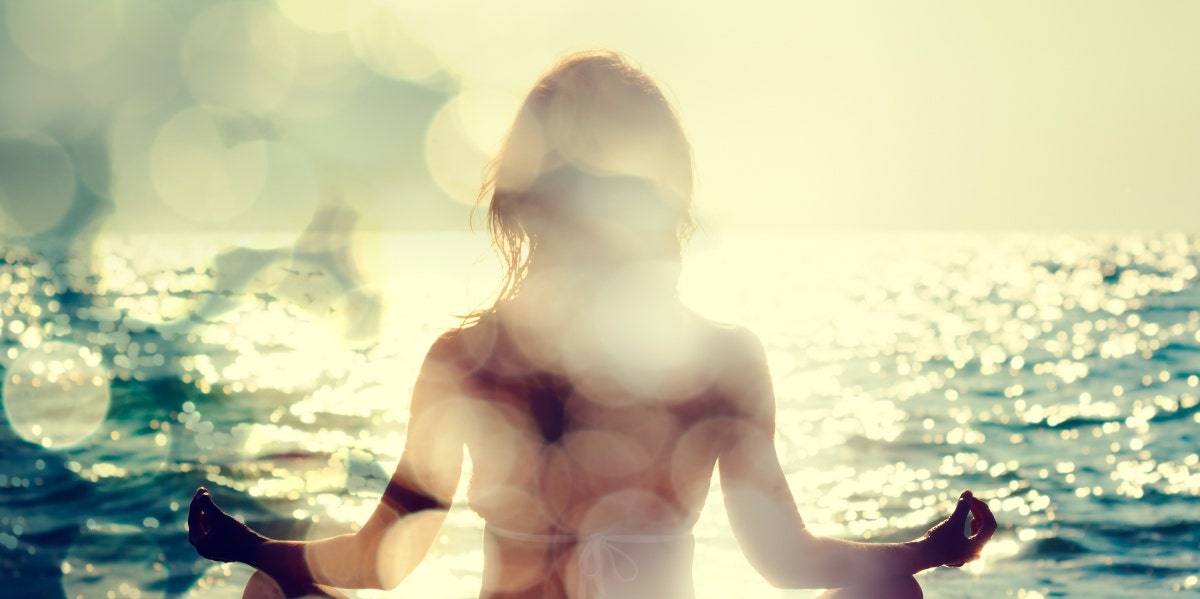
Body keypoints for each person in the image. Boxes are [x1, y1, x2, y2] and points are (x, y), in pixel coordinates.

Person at [188, 50, 996, 599]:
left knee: (272, 591)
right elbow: (781, 558)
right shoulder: (721, 360)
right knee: (893, 590)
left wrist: (258, 552)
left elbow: (385, 560)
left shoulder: (468, 358)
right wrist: (923, 552)